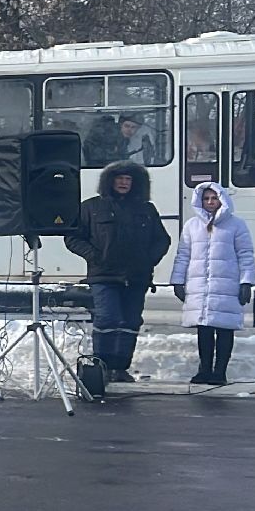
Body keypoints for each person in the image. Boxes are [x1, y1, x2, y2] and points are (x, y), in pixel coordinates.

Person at [65, 160, 171, 382]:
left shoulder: (146, 209)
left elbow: (162, 240)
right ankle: (102, 366)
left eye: (128, 179)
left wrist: (148, 261)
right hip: (103, 276)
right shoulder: (91, 207)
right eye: (119, 178)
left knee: (131, 321)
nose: (124, 183)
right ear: (109, 181)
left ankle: (121, 368)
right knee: (108, 319)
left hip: (137, 277)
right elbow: (73, 238)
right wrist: (95, 256)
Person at [170, 182, 255, 385]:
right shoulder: (191, 225)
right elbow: (183, 255)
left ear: (222, 200)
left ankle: (220, 372)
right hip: (199, 286)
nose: (210, 202)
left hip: (226, 286)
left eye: (214, 198)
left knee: (225, 329)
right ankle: (205, 370)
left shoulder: (236, 225)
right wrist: (177, 281)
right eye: (206, 198)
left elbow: (245, 255)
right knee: (204, 330)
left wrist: (246, 283)